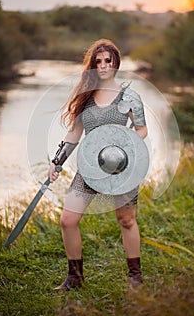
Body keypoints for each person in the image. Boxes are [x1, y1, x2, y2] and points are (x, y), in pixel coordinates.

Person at [48, 38, 148, 290]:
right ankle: (75, 278)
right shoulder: (86, 96)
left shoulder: (129, 96)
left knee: (125, 220)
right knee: (68, 219)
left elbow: (142, 130)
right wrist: (57, 163)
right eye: (98, 61)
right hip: (90, 167)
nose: (103, 65)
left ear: (116, 63)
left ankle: (135, 277)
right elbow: (74, 133)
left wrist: (122, 148)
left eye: (108, 61)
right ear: (92, 65)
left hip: (121, 168)